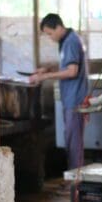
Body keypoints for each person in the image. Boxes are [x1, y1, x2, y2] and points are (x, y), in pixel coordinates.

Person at [30, 13, 89, 170]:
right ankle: (73, 178)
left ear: (58, 27)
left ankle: (75, 181)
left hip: (75, 99)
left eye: (50, 33)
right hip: (69, 98)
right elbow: (66, 65)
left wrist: (45, 76)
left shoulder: (70, 42)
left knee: (74, 140)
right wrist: (47, 69)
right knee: (70, 139)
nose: (50, 37)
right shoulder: (65, 40)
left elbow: (72, 71)